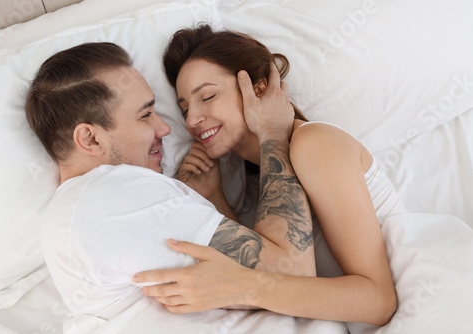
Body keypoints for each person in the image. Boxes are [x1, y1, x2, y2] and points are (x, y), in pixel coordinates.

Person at [132, 24, 402, 326]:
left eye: (206, 97)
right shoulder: (256, 183)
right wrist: (213, 198)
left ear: (258, 90)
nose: (193, 120)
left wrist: (240, 287)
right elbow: (276, 274)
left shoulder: (314, 144)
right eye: (184, 109)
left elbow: (378, 301)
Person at [25, 42, 314, 320]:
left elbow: (254, 268)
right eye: (145, 114)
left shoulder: (88, 204)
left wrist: (212, 197)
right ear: (90, 138)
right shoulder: (118, 199)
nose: (164, 128)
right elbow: (293, 278)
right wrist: (274, 133)